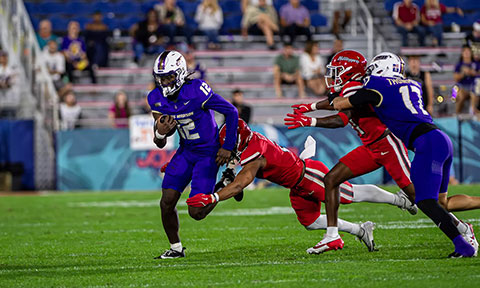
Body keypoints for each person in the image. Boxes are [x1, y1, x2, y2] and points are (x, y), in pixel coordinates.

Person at [187, 119, 418, 254]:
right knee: (310, 222)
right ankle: (360, 230)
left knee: (351, 194)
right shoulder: (250, 141)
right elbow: (238, 166)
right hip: (296, 184)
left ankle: (400, 200)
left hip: (308, 177)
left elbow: (240, 186)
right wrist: (228, 172)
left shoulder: (255, 153)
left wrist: (213, 198)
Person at [332, 52, 477, 258]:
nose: (369, 73)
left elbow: (341, 104)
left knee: (425, 201)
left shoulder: (378, 87)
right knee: (442, 204)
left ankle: (464, 247)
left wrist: (331, 97)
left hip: (426, 143)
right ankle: (464, 233)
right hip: (439, 138)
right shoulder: (411, 83)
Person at [285, 50, 418, 253]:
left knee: (423, 198)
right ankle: (331, 235)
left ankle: (459, 226)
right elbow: (336, 102)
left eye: (337, 71)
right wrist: (310, 107)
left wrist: (310, 120)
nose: (332, 76)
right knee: (331, 179)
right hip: (372, 146)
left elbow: (342, 119)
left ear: (348, 71)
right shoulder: (351, 86)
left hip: (387, 145)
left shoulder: (354, 86)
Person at [147, 50, 239, 259]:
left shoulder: (196, 90)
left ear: (179, 73)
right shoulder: (155, 97)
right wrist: (160, 133)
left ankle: (221, 188)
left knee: (197, 212)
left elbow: (231, 111)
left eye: (168, 77)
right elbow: (159, 142)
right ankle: (176, 248)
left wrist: (228, 146)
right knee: (167, 200)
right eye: (160, 78)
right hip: (186, 151)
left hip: (208, 153)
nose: (164, 82)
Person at [454, 45, 479, 115]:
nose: (467, 53)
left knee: (475, 93)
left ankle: (472, 112)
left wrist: (473, 73)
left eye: (468, 51)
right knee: (457, 94)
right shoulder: (459, 65)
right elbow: (456, 78)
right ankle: (457, 114)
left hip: (474, 87)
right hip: (461, 87)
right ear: (462, 53)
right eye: (465, 51)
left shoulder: (476, 64)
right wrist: (463, 73)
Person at [0, 51, 18, 118]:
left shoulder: (12, 69)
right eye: (2, 57)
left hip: (10, 99)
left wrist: (5, 84)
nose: (3, 58)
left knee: (10, 118)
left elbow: (13, 81)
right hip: (1, 99)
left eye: (4, 57)